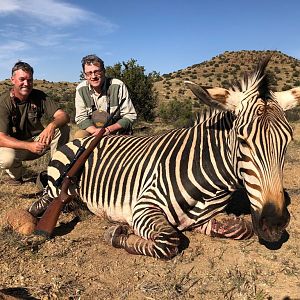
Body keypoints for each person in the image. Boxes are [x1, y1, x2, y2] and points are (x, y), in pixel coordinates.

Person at [0, 61, 70, 185]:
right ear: (12, 80)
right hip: (16, 147)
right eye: (22, 79)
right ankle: (16, 178)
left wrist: (52, 125)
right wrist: (28, 146)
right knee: (6, 158)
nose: (26, 84)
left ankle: (56, 171)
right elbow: (1, 138)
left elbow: (63, 115)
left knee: (62, 128)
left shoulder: (39, 96)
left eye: (30, 80)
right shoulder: (4, 102)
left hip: (39, 142)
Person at [74, 54, 137, 138]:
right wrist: (95, 131)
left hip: (116, 131)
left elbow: (130, 115)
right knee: (79, 136)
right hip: (93, 131)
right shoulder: (80, 89)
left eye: (97, 71)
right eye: (89, 73)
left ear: (103, 71)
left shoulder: (118, 85)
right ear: (85, 75)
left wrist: (108, 130)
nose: (93, 76)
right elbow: (81, 118)